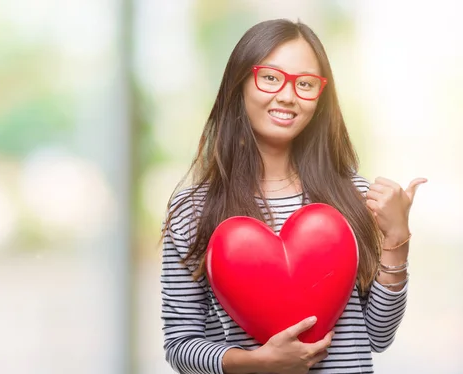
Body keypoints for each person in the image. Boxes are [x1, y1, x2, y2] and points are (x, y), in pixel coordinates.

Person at [160, 19, 426, 374]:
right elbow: (180, 345)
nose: (287, 95)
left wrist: (396, 240)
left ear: (320, 96)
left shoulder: (357, 197)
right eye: (270, 77)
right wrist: (257, 363)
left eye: (305, 84)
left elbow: (379, 335)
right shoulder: (192, 210)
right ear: (239, 82)